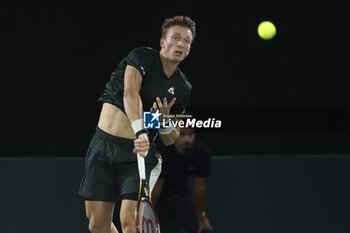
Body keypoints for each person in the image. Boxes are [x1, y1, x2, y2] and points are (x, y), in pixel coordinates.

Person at [78, 15, 196, 233]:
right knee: (97, 225)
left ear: (189, 49)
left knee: (130, 224)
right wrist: (140, 130)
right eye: (176, 37)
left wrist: (163, 124)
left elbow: (171, 138)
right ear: (163, 41)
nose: (181, 43)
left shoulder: (182, 88)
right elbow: (130, 95)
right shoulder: (142, 57)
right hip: (105, 145)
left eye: (187, 41)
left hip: (138, 155)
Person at [152, 127, 214, 233]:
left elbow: (200, 186)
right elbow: (157, 187)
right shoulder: (162, 151)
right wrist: (146, 213)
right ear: (174, 135)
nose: (187, 139)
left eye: (191, 134)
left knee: (203, 229)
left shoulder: (202, 152)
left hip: (180, 195)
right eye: (182, 134)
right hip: (159, 196)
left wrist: (201, 217)